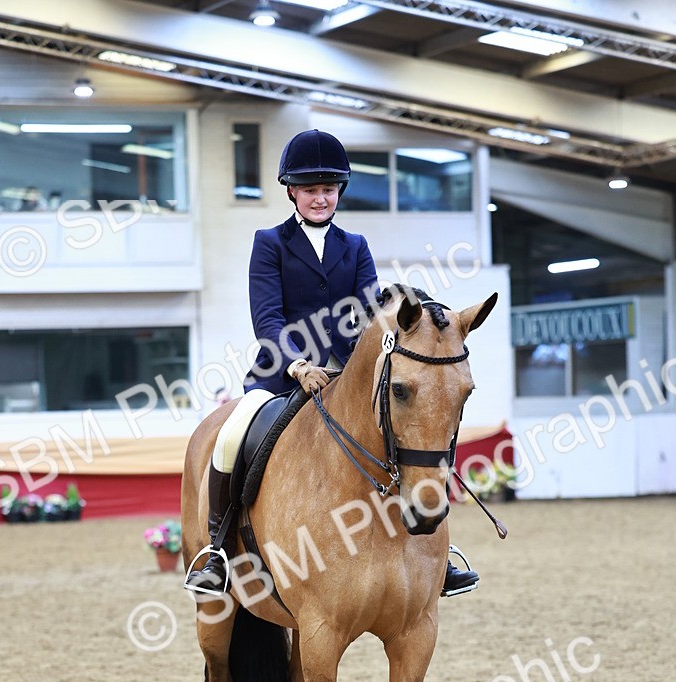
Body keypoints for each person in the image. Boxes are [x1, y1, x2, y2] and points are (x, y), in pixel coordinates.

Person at [184, 129, 479, 598]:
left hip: (346, 375)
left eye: (327, 189)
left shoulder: (355, 245)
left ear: (339, 191)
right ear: (291, 192)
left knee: (411, 427)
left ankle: (437, 556)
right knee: (232, 435)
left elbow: (366, 310)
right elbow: (267, 317)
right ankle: (217, 551)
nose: (319, 198)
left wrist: (403, 303)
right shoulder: (269, 243)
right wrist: (298, 364)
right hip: (281, 374)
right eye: (309, 190)